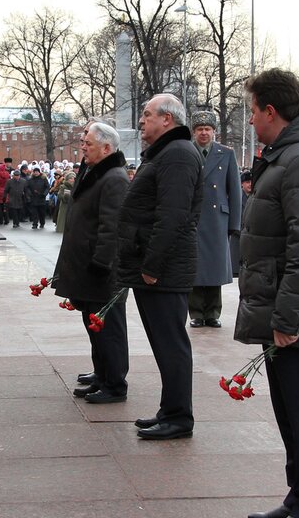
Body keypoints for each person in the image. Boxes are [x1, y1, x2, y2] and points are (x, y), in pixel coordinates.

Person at [235, 68, 299, 518]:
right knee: (290, 410)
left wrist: (288, 318)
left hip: (290, 312)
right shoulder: (285, 156)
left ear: (271, 110)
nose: (252, 119)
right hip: (278, 305)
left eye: (253, 110)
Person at [116, 93, 202, 440]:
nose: (141, 121)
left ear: (167, 119)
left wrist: (152, 265)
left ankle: (180, 417)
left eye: (147, 115)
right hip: (154, 268)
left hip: (163, 270)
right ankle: (170, 410)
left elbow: (173, 216)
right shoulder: (168, 153)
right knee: (164, 344)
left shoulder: (179, 154)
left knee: (172, 344)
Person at [52, 122, 129, 403]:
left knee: (109, 329)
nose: (83, 147)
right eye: (83, 143)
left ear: (107, 148)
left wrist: (101, 263)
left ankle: (115, 383)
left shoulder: (114, 178)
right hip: (87, 266)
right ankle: (102, 374)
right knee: (94, 325)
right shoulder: (95, 171)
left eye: (89, 144)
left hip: (102, 270)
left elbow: (112, 228)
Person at [187, 111, 242, 329]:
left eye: (207, 129)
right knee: (195, 265)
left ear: (214, 132)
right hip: (194, 217)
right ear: (194, 132)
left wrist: (234, 223)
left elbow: (235, 190)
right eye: (199, 129)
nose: (203, 133)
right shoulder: (187, 151)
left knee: (215, 267)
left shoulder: (226, 153)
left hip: (217, 218)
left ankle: (212, 312)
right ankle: (196, 313)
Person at [231, 170, 252, 277]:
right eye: (247, 182)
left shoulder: (256, 197)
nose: (250, 184)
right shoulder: (237, 198)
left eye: (251, 181)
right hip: (238, 241)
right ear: (241, 183)